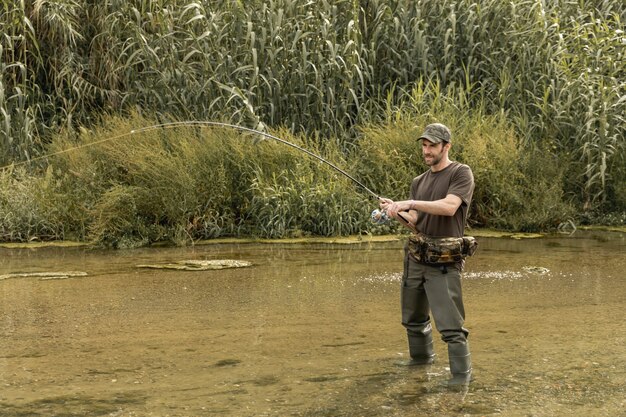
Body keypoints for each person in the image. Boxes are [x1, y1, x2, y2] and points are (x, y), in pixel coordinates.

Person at [379, 122, 475, 386]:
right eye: (424, 145)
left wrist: (409, 203)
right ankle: (420, 366)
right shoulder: (418, 181)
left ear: (446, 146)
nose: (427, 150)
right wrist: (395, 210)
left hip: (444, 262)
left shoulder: (460, 173)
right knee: (412, 319)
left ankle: (461, 380)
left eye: (432, 145)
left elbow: (448, 207)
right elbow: (415, 221)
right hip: (416, 258)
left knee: (451, 327)